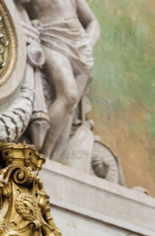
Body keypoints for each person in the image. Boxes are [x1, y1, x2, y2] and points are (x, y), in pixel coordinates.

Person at [19, 0, 101, 159]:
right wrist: (29, 21)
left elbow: (93, 22)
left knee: (70, 111)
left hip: (80, 46)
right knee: (68, 95)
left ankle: (51, 162)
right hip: (51, 38)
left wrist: (88, 44)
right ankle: (40, 156)